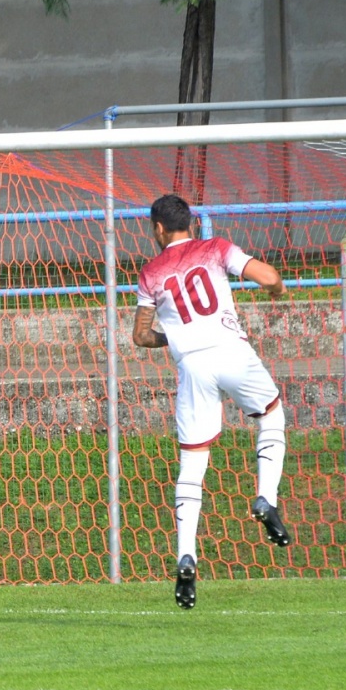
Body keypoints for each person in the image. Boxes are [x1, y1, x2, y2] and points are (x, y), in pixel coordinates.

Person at [133, 194, 290, 611]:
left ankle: (186, 556)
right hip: (231, 351)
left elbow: (141, 336)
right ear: (190, 223)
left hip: (193, 366)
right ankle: (266, 497)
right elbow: (269, 276)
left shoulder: (150, 272)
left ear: (158, 228)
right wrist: (277, 290)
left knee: (193, 462)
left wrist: (175, 337)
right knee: (271, 415)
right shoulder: (216, 248)